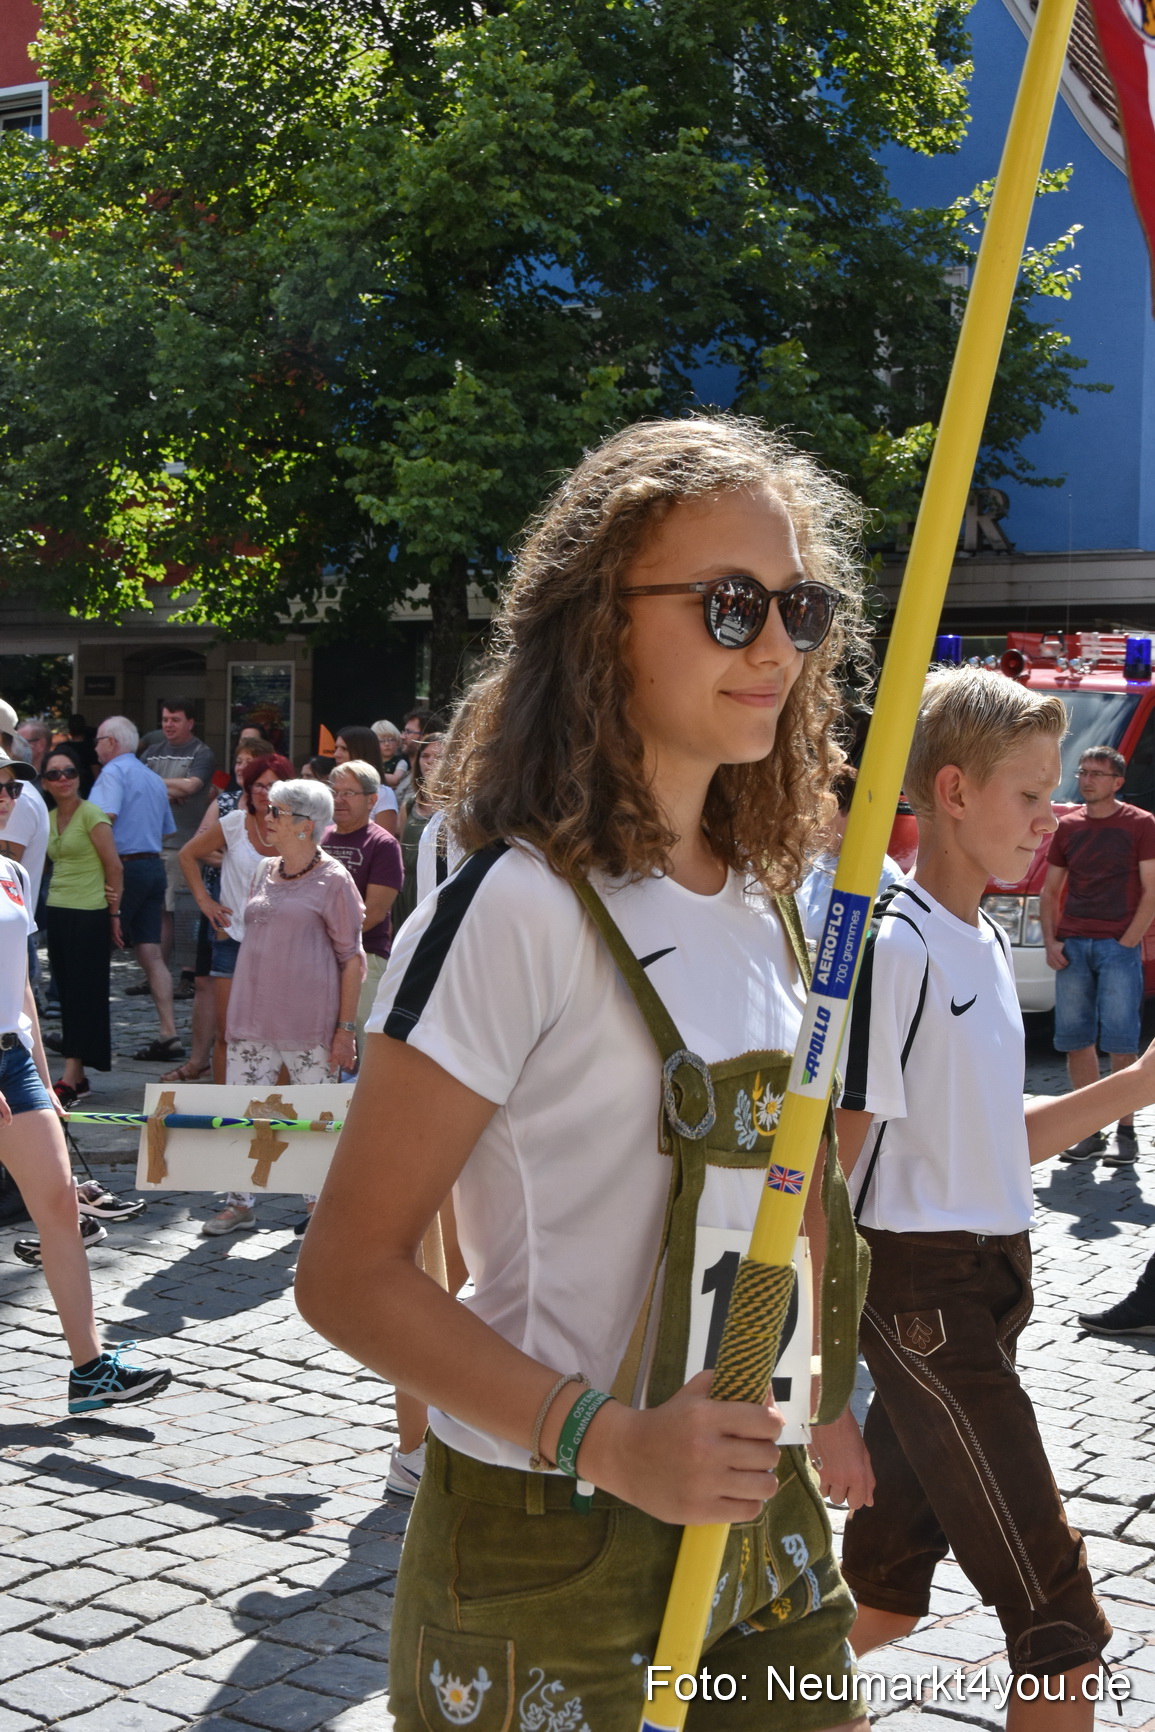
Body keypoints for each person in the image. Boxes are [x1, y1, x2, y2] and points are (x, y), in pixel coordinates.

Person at [298, 417, 875, 1732]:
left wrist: (822, 1390)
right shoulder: (516, 909)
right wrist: (608, 1441)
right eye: (730, 605)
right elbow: (347, 1275)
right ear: (599, 621)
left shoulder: (774, 907)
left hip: (759, 1511)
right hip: (551, 1548)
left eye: (799, 606)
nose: (776, 645)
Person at [834, 668, 1155, 1728]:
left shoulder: (977, 938)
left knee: (875, 1599)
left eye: (1057, 791)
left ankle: (712, 1704)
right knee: (1061, 1632)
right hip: (928, 1302)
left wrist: (1138, 1084)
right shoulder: (898, 945)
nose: (1052, 816)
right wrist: (823, 1385)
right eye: (1032, 794)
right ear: (956, 792)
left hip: (984, 1288)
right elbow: (828, 1169)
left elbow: (994, 1143)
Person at [0, 847, 172, 1411]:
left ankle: (90, 1368)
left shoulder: (13, 872)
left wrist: (47, 1081)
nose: (3, 795)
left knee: (60, 1207)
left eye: (8, 784)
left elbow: (18, 979)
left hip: (14, 1061)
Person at [202, 776, 365, 1236]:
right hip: (253, 1016)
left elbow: (351, 960)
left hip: (309, 1022)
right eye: (267, 809)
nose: (266, 818)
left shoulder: (334, 880)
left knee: (312, 1120)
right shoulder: (261, 870)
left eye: (276, 811)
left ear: (305, 825)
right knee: (243, 1110)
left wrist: (345, 1030)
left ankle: (319, 1208)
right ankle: (239, 1203)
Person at [1040, 745, 1155, 1168]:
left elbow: (1152, 890)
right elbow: (1049, 891)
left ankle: (1126, 1132)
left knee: (1122, 1043)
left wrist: (1129, 942)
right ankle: (1089, 1132)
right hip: (1072, 947)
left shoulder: (1141, 824)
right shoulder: (1067, 827)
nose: (1086, 780)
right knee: (1076, 1042)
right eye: (1083, 772)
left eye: (1097, 774)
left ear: (1118, 783)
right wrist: (1052, 942)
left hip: (1116, 948)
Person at [172, 740, 281, 1084]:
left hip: (278, 943)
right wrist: (205, 902)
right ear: (248, 789)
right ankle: (223, 1110)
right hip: (232, 938)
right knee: (227, 1033)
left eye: (273, 785)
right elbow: (187, 855)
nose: (265, 792)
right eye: (259, 785)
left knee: (275, 1033)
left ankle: (278, 1112)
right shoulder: (234, 822)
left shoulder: (296, 826)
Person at [89, 716, 184, 1064]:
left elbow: (103, 820)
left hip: (123, 868)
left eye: (98, 740)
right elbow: (167, 831)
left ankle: (86, 1037)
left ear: (112, 742)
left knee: (96, 950)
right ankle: (168, 1031)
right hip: (151, 865)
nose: (95, 747)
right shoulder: (152, 778)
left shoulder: (113, 773)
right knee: (151, 952)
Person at [39, 745, 123, 1109]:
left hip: (89, 912)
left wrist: (114, 913)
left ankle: (72, 1074)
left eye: (69, 772)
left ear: (79, 777)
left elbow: (114, 866)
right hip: (58, 910)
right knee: (66, 993)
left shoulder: (92, 815)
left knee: (83, 994)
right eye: (54, 774)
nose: (63, 779)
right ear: (44, 782)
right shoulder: (49, 816)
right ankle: (78, 1074)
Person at [320, 761, 403, 1057]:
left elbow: (375, 912)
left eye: (349, 793)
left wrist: (326, 938)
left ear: (372, 800)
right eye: (335, 791)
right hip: (317, 957)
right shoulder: (320, 838)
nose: (339, 799)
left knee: (364, 1049)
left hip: (364, 956)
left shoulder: (383, 844)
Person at [140, 698, 216, 998]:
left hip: (184, 844)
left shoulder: (202, 753)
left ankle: (188, 976)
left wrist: (157, 786)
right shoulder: (152, 751)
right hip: (153, 843)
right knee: (159, 913)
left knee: (185, 913)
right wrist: (169, 789)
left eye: (175, 719)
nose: (168, 725)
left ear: (190, 722)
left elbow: (192, 787)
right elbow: (138, 786)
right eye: (165, 719)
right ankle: (156, 975)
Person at [798, 764, 904, 945]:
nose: (809, 820)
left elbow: (869, 945)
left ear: (848, 812)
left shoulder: (880, 875)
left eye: (819, 810)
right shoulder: (818, 861)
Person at [390, 734, 444, 934]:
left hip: (437, 890)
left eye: (439, 757)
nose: (430, 762)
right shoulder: (410, 805)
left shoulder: (457, 809)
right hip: (407, 890)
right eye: (425, 756)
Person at [333, 726, 400, 836]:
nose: (336, 754)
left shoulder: (383, 794)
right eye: (336, 748)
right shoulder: (331, 790)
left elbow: (386, 844)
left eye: (344, 749)